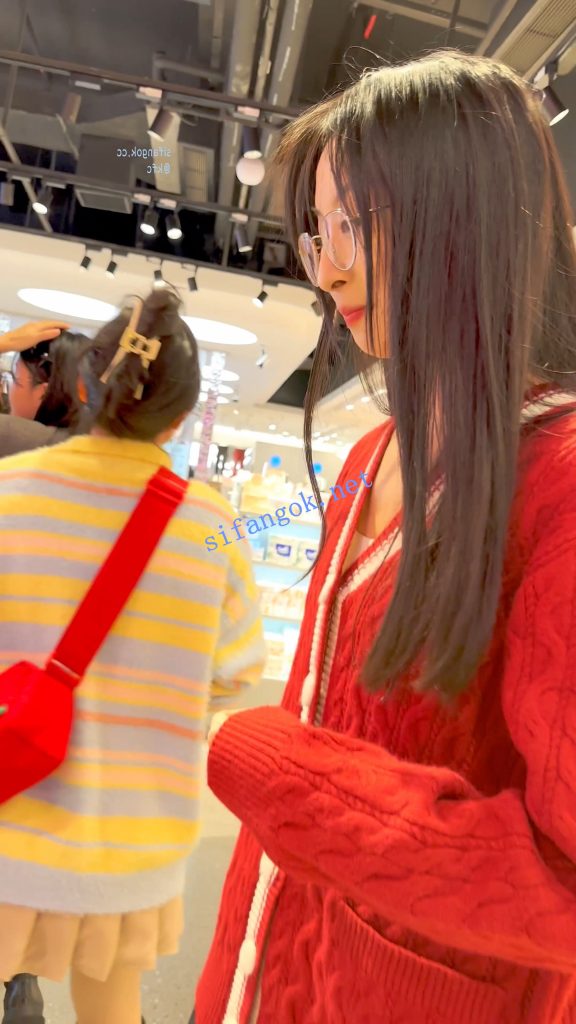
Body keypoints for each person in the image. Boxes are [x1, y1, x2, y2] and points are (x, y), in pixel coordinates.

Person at [193, 51, 576, 1024]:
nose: (328, 268)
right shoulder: (371, 455)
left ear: (468, 212)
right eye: (317, 233)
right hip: (258, 975)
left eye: (355, 225)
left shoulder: (560, 484)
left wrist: (284, 778)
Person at [0, 288, 265, 1024]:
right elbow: (238, 667)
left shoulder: (8, 493)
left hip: (9, 812)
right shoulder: (211, 526)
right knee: (110, 1002)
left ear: (84, 385)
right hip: (131, 836)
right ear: (180, 416)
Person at [0, 321, 76, 457]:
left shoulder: (9, 436)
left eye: (15, 376)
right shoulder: (79, 445)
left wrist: (6, 342)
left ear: (43, 393)